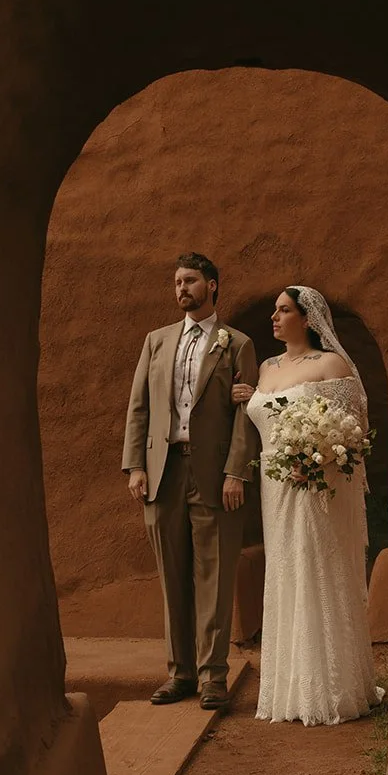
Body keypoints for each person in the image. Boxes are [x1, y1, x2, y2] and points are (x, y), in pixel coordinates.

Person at [233, 286, 382, 725]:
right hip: (275, 491)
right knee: (285, 571)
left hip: (315, 489)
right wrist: (248, 398)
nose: (274, 318)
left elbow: (353, 432)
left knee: (317, 568)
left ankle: (333, 685)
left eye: (284, 311)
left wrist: (318, 461)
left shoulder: (331, 365)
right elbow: (267, 414)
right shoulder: (266, 367)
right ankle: (290, 685)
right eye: (275, 311)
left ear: (307, 318)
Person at [123, 253, 259, 711]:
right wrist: (135, 466)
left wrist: (236, 470)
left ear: (212, 286)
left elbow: (245, 414)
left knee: (214, 575)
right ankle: (178, 674)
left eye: (191, 281)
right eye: (177, 281)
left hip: (214, 475)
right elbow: (139, 406)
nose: (182, 288)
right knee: (173, 577)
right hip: (163, 472)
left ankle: (213, 678)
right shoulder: (156, 342)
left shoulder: (236, 343)